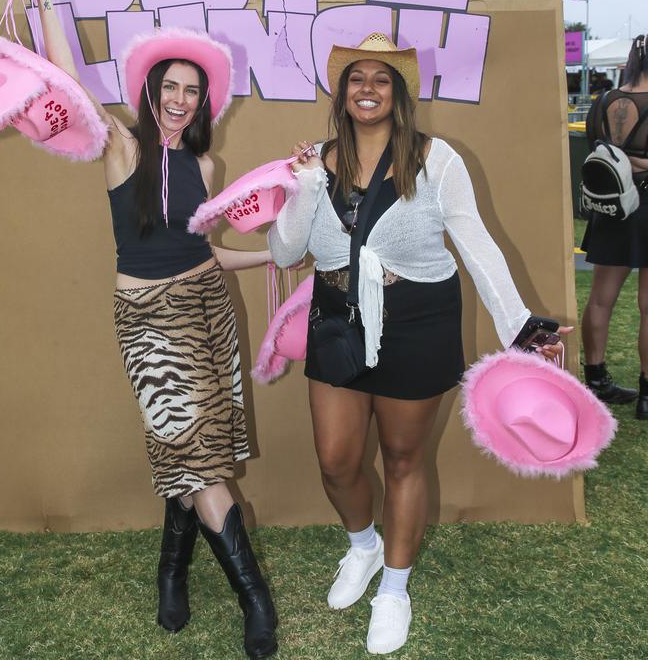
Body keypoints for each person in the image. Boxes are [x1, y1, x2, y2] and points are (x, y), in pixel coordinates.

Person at [0, 0, 277, 660]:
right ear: (150, 92)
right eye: (169, 88)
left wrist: (272, 257)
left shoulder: (206, 170)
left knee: (191, 456)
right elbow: (67, 84)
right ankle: (256, 602)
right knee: (203, 464)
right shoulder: (120, 147)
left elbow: (206, 252)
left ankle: (172, 573)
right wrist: (44, 0)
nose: (180, 100)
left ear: (204, 100)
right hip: (150, 324)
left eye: (192, 90)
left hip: (207, 312)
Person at [267, 33, 570, 655]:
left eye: (382, 79)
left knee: (404, 460)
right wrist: (299, 187)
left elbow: (477, 245)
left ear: (399, 93)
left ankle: (395, 589)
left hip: (417, 319)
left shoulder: (437, 160)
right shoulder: (314, 161)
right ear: (342, 91)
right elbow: (284, 252)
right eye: (357, 78)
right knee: (336, 460)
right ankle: (364, 547)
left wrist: (521, 326)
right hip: (338, 319)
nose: (368, 89)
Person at [581, 33, 648, 419]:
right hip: (646, 203)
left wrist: (624, 157)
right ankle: (646, 396)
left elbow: (597, 148)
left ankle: (596, 380)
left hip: (612, 206)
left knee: (601, 299)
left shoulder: (605, 100)